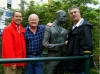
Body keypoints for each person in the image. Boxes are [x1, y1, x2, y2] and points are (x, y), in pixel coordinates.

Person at [65, 6, 93, 74]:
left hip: (81, 63)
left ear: (79, 13)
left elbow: (87, 45)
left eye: (75, 12)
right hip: (73, 61)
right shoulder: (73, 27)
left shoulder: (85, 26)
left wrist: (81, 60)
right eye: (71, 13)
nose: (73, 14)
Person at [42, 10, 68, 74]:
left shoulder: (64, 30)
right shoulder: (49, 28)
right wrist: (61, 44)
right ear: (58, 16)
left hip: (62, 58)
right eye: (64, 16)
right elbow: (44, 44)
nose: (66, 18)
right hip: (52, 58)